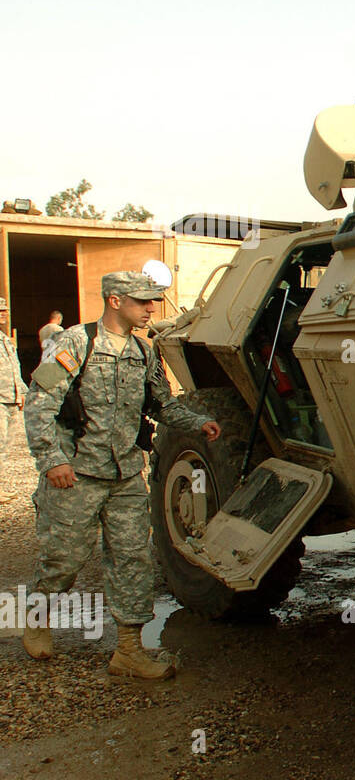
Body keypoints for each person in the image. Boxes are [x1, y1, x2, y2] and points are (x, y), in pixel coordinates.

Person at [22, 271, 222, 678]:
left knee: (132, 560)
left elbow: (161, 405)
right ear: (115, 301)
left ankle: (128, 649)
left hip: (127, 474)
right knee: (64, 558)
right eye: (143, 301)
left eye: (153, 302)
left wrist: (197, 422)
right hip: (76, 474)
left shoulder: (143, 351)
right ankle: (37, 619)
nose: (151, 309)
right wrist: (53, 461)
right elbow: (40, 403)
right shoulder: (76, 342)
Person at [0, 298, 27, 504]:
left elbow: (13, 368)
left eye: (5, 310)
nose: (4, 314)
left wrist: (22, 393)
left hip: (10, 399)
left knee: (5, 448)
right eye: (0, 311)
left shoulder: (4, 339)